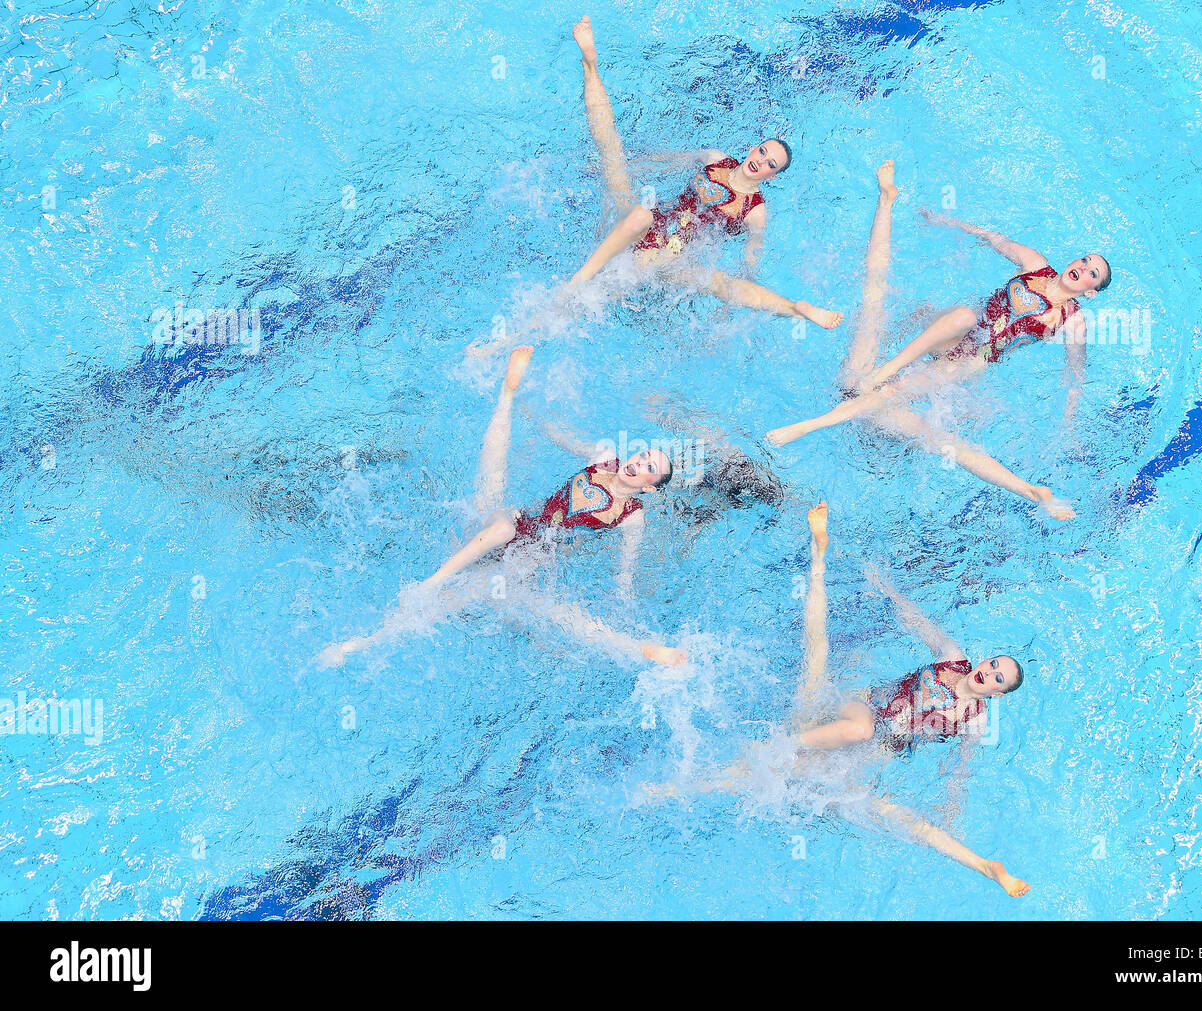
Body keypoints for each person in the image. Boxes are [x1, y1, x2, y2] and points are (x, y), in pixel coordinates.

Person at [649, 502, 1031, 897]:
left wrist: (952, 808)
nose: (988, 670)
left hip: (874, 748)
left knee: (868, 803)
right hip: (858, 706)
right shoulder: (952, 656)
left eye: (997, 677)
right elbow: (916, 620)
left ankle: (982, 863)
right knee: (830, 680)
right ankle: (819, 558)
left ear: (998, 692)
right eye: (993, 662)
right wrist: (885, 586)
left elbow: (959, 769)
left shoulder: (975, 721)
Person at [315, 346, 686, 669]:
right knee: (498, 507)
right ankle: (508, 396)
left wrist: (622, 597)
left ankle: (358, 645)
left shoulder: (631, 517)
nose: (639, 462)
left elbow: (625, 570)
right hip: (515, 522)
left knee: (546, 612)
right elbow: (557, 434)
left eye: (650, 468)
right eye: (643, 454)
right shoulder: (604, 457)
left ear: (650, 489)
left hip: (530, 559)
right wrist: (532, 413)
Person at [766, 175, 1112, 520]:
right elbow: (992, 238)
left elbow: (1075, 376)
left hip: (976, 357)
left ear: (1091, 291)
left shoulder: (1072, 320)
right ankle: (888, 367)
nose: (1083, 268)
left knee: (898, 377)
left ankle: (832, 410)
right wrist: (943, 220)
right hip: (957, 327)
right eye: (1085, 261)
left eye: (1092, 273)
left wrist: (1068, 423)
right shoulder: (1035, 264)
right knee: (958, 315)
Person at [566, 16, 843, 331]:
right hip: (651, 222)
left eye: (771, 164)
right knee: (614, 159)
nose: (761, 160)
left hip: (671, 260)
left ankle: (795, 308)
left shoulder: (756, 212)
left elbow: (748, 265)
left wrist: (727, 310)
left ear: (772, 177)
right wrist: (628, 168)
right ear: (753, 148)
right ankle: (591, 65)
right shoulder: (716, 158)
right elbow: (666, 162)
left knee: (712, 281)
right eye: (762, 151)